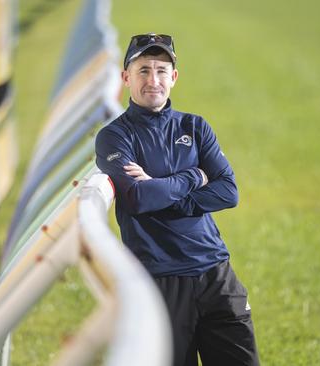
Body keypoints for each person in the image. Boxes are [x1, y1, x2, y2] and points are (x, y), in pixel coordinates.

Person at [94, 33, 260, 366]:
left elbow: (228, 191)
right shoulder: (114, 136)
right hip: (159, 283)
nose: (152, 80)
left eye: (161, 70)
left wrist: (167, 193)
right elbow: (139, 197)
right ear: (126, 77)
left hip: (216, 273)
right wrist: (193, 177)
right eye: (143, 70)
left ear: (174, 77)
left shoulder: (195, 127)